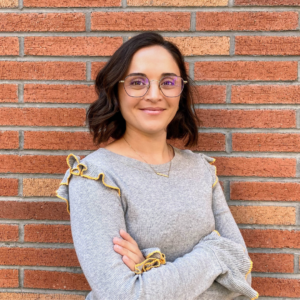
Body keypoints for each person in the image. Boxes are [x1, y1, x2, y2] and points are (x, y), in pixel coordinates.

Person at [56, 32, 259, 300]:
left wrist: (148, 268)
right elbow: (123, 295)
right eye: (137, 82)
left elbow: (243, 275)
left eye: (168, 82)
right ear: (116, 89)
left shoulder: (200, 169)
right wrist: (214, 255)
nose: (154, 95)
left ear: (181, 91)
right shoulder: (95, 176)